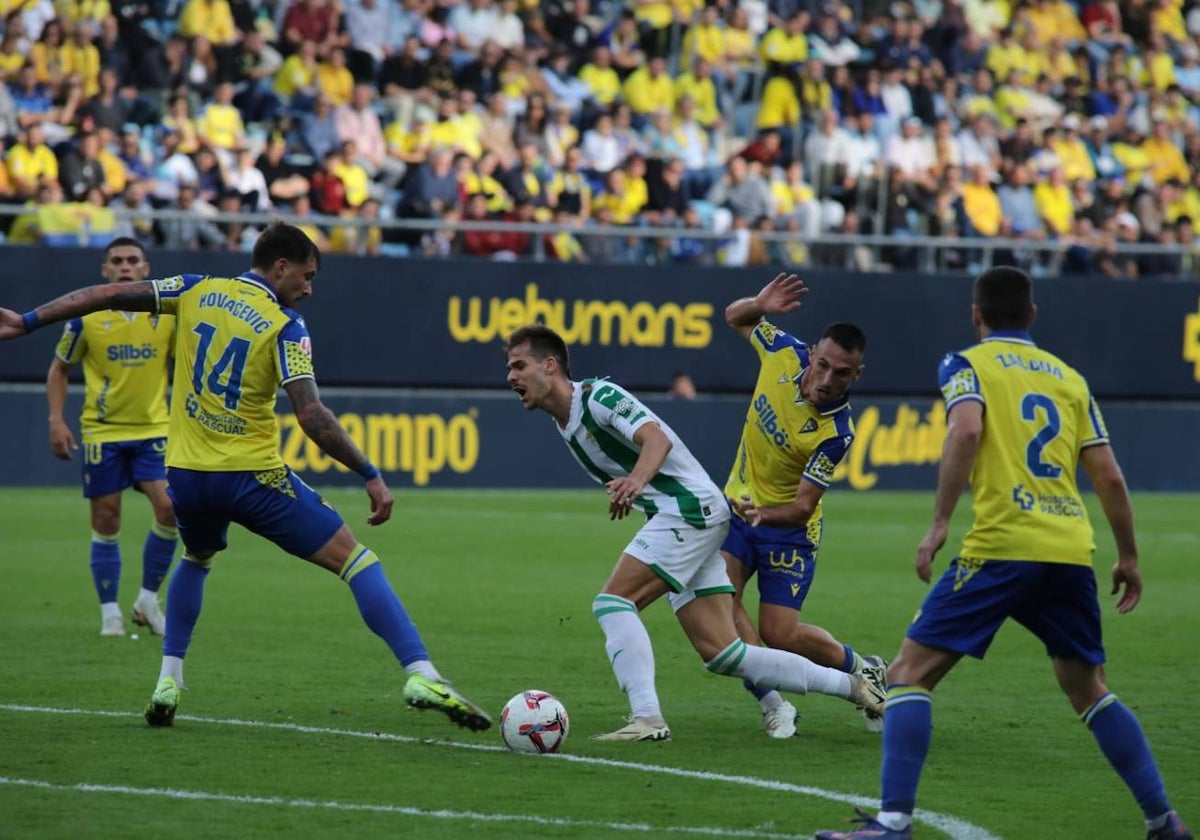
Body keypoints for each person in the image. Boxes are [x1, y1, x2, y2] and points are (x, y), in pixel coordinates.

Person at [1, 224, 490, 734]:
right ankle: (420, 672)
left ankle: (168, 680)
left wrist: (28, 320)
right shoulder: (286, 324)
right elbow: (311, 414)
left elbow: (103, 296)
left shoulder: (194, 288)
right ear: (281, 267)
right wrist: (369, 472)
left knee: (197, 556)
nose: (309, 287)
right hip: (252, 476)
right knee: (357, 561)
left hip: (188, 476)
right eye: (307, 275)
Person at [816, 267, 1193, 840]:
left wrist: (940, 521)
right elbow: (1110, 477)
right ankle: (1163, 820)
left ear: (976, 314)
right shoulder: (1070, 379)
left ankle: (892, 823)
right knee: (1089, 688)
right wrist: (1129, 558)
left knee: (907, 675)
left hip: (1002, 545)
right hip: (1068, 548)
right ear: (1033, 315)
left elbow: (965, 432)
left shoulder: (966, 364)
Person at [503, 324, 885, 742]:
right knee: (725, 654)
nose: (512, 377)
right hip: (688, 515)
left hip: (689, 511)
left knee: (613, 602)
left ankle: (646, 717)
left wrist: (635, 481)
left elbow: (656, 440)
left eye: (520, 365)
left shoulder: (598, 397)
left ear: (550, 365)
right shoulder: (567, 422)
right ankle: (857, 687)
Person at [722, 273, 887, 739]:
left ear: (857, 376)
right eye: (824, 365)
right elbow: (734, 318)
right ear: (813, 353)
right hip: (739, 509)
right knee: (723, 601)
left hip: (788, 530)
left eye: (841, 373)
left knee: (781, 634)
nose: (827, 379)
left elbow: (801, 507)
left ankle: (863, 667)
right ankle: (773, 704)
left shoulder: (837, 433)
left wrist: (761, 514)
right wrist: (758, 303)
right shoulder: (781, 351)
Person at [46, 237, 178, 638]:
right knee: (106, 518)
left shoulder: (169, 317)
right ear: (105, 270)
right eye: (116, 261)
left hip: (154, 429)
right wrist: (56, 419)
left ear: (145, 269)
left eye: (132, 260)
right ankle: (110, 617)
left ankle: (147, 601)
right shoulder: (85, 319)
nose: (124, 266)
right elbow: (59, 370)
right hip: (103, 432)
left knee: (171, 509)